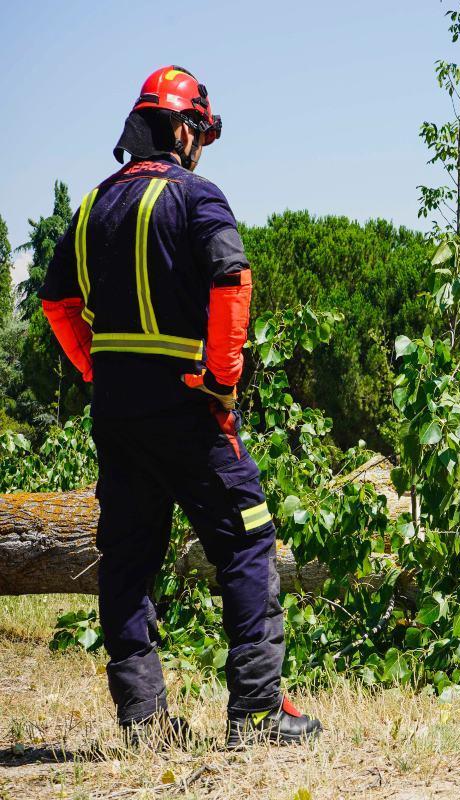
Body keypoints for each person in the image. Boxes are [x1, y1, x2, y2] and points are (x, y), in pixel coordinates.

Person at [38, 66, 320, 747]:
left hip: (119, 416)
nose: (204, 145)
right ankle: (256, 713)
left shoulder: (91, 207)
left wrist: (94, 373)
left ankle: (143, 723)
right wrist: (223, 383)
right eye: (202, 130)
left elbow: (56, 304)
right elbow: (233, 281)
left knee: (129, 560)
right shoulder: (198, 198)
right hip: (190, 408)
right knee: (248, 541)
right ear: (182, 128)